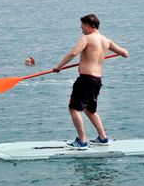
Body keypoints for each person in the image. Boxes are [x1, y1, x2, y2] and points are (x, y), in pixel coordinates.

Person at [52, 14, 129, 150]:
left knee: (74, 108)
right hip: (97, 80)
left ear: (88, 25)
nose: (81, 28)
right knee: (90, 110)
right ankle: (102, 138)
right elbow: (125, 53)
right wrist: (119, 53)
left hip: (86, 80)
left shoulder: (87, 38)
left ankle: (82, 141)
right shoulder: (107, 41)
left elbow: (73, 53)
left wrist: (59, 66)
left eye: (82, 26)